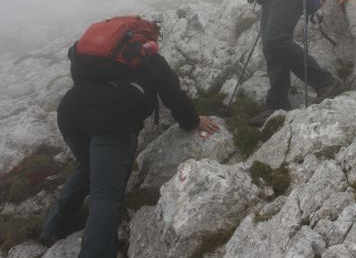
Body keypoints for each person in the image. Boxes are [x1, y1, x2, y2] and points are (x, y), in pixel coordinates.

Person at [39, 27, 220, 257]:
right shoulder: (150, 58)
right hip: (112, 121)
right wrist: (193, 120)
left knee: (87, 166)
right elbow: (173, 96)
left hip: (69, 112)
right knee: (106, 195)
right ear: (149, 38)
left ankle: (54, 226)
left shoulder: (102, 58)